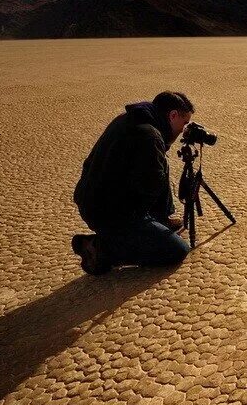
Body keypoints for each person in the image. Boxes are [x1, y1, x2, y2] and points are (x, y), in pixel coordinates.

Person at [71, 91, 195, 275]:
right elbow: (149, 187)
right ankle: (102, 248)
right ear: (173, 115)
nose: (183, 129)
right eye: (184, 123)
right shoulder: (150, 136)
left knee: (160, 164)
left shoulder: (129, 119)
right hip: (111, 213)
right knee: (176, 250)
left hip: (90, 201)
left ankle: (161, 221)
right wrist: (144, 222)